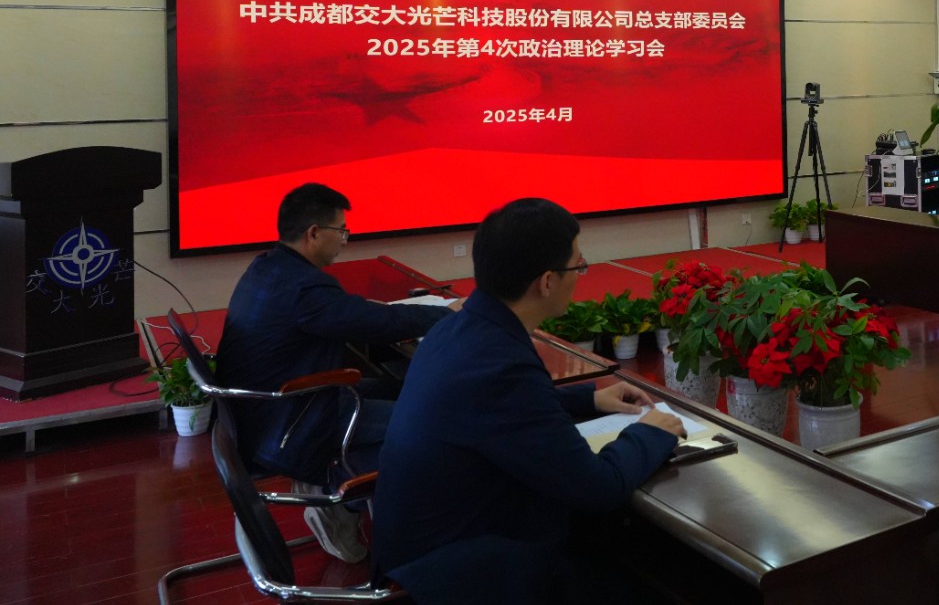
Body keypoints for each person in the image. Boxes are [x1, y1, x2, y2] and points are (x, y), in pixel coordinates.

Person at [375, 198, 684, 604]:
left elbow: (498, 412)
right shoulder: (500, 364)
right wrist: (649, 432)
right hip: (457, 572)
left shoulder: (458, 328)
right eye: (578, 265)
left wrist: (589, 400)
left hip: (423, 548)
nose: (581, 274)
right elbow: (597, 486)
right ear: (547, 282)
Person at [217, 183, 456, 562]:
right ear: (314, 233)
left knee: (396, 387)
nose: (345, 240)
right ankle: (343, 498)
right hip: (293, 420)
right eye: (341, 231)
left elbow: (345, 314)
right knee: (430, 420)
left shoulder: (269, 267)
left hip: (266, 413)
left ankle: (330, 486)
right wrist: (446, 314)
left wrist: (366, 311)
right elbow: (373, 323)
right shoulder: (304, 287)